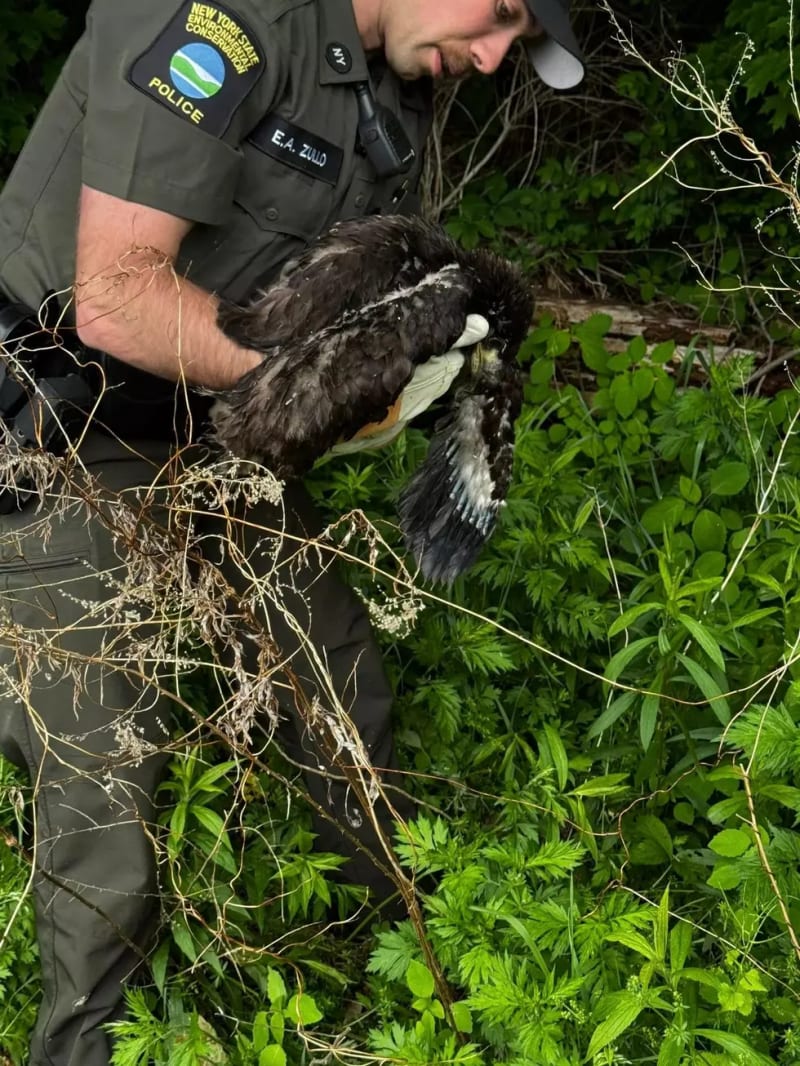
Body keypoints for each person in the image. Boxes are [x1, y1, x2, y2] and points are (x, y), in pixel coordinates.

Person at [0, 0, 584, 1062]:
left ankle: (409, 974)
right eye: (501, 15)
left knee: (337, 688)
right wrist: (316, 391)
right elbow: (117, 298)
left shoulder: (384, 87)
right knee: (100, 767)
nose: (494, 57)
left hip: (206, 423)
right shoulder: (217, 21)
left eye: (519, 46)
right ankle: (86, 1045)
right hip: (52, 417)